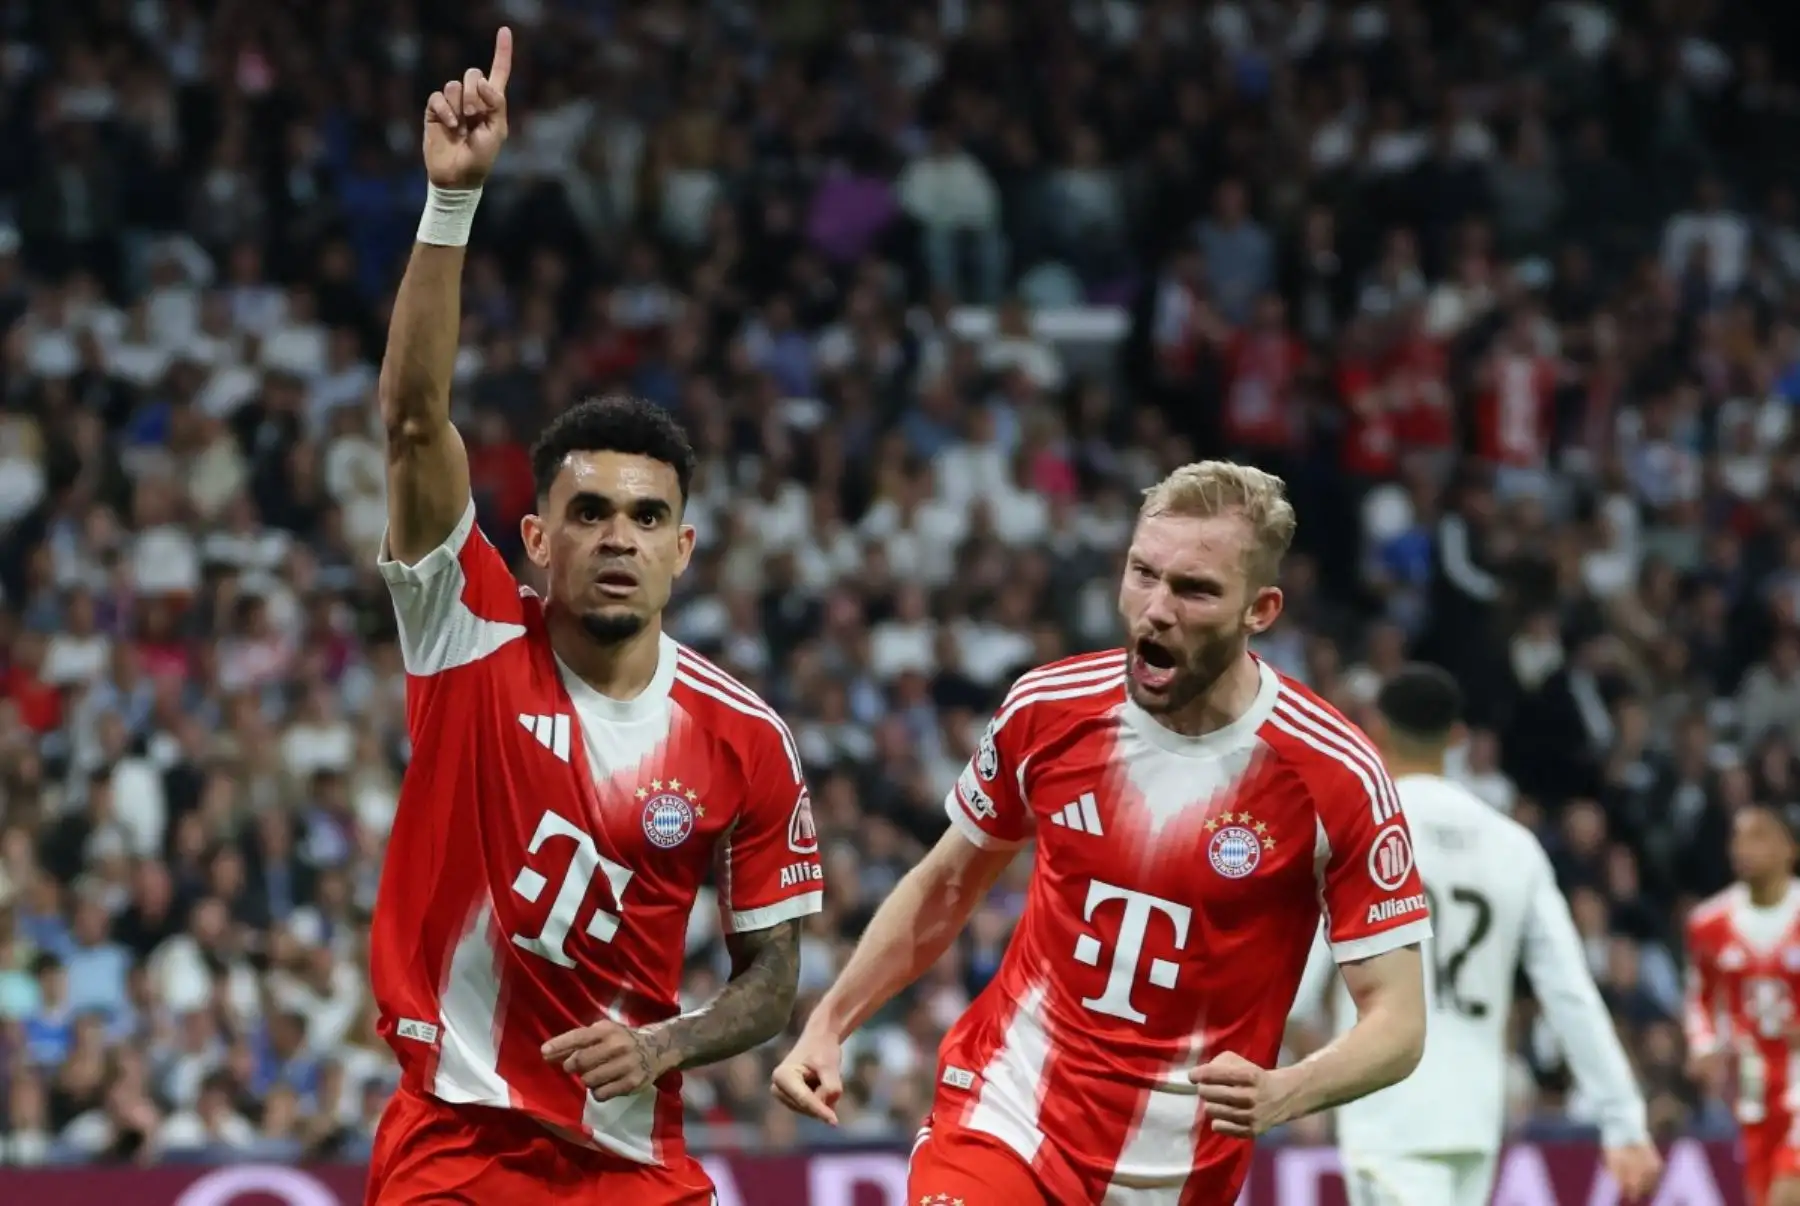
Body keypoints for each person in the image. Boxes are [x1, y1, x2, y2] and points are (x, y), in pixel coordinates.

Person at [362, 28, 821, 1205]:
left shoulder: (745, 738)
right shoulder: (467, 629)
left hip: (634, 1162)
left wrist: (664, 1047)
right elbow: (416, 422)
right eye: (591, 511)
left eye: (646, 516)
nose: (618, 536)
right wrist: (451, 206)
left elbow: (774, 978)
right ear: (535, 538)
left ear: (685, 547)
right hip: (456, 1149)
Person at [773, 461, 1432, 1205]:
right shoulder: (1049, 709)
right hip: (1007, 1116)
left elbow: (1399, 1019)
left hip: (1180, 1174)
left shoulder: (1332, 773)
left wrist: (1290, 1090)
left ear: (1262, 609)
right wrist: (829, 1024)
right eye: (1142, 573)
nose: (1155, 609)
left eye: (1195, 589)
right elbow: (947, 883)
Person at [1288, 665, 1662, 1206]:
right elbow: (1570, 992)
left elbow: (1298, 990)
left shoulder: (1359, 831)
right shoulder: (1514, 844)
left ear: (1373, 729)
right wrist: (1624, 1119)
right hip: (1475, 1116)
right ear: (1458, 737)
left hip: (1384, 1106)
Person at [1686, 800, 1800, 1206]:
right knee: (1763, 1194)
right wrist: (1703, 1047)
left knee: (1787, 1192)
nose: (1743, 848)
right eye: (1737, 837)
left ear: (1791, 848)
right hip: (1753, 1085)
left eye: (1759, 836)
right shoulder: (1709, 922)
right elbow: (1699, 998)